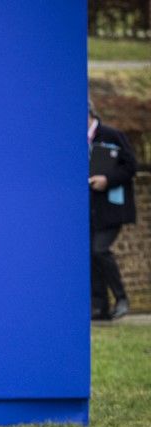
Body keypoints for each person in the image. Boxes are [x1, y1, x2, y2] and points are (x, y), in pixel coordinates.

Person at [89, 101, 137, 321]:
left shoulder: (111, 135)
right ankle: (100, 308)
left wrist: (107, 179)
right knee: (91, 255)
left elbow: (131, 166)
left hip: (111, 209)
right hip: (90, 210)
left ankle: (121, 298)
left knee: (100, 250)